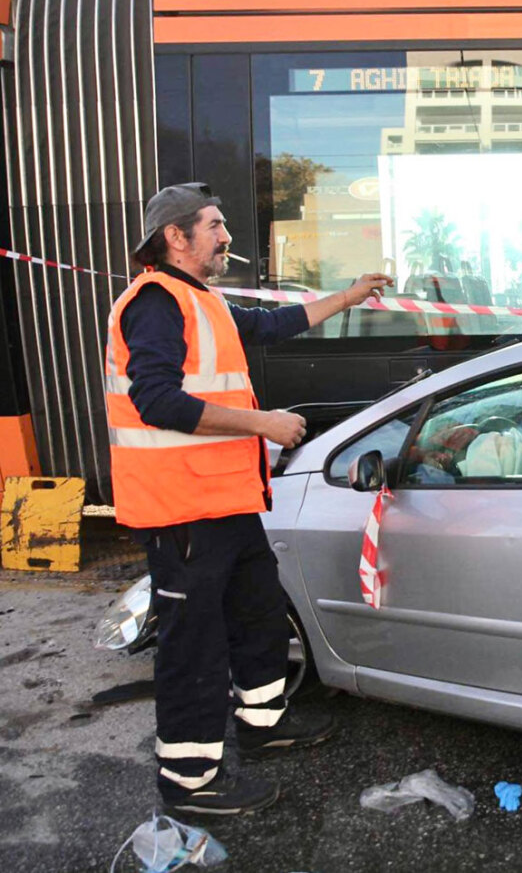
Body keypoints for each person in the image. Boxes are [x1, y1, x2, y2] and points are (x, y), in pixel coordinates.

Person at [103, 182, 392, 816]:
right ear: (175, 237)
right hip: (182, 512)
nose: (226, 236)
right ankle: (189, 782)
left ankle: (262, 726)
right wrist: (264, 425)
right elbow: (157, 402)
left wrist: (347, 296)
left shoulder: (199, 299)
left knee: (257, 615)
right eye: (214, 225)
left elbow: (271, 323)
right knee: (194, 646)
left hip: (225, 504)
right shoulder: (155, 302)